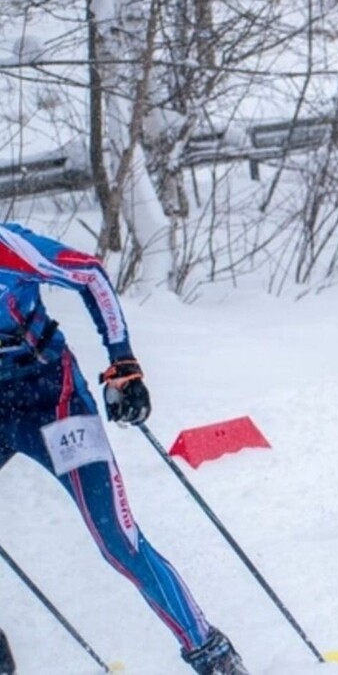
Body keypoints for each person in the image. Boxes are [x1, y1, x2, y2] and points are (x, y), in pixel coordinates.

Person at [0, 224, 248, 675]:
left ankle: (210, 652)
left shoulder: (7, 247)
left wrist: (123, 362)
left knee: (116, 539)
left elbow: (89, 273)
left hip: (51, 403)